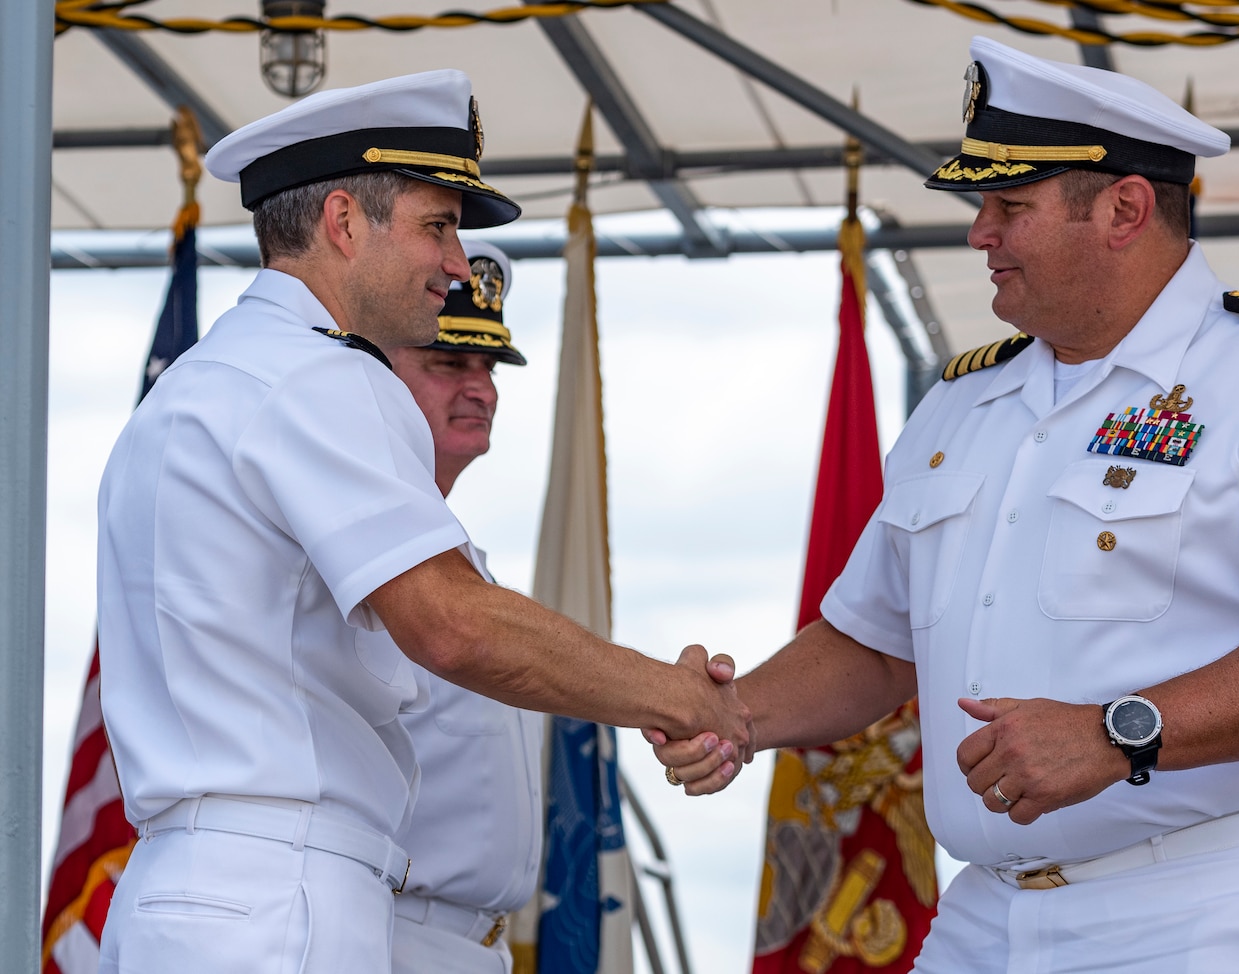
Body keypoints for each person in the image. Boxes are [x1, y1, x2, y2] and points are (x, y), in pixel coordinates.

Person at [651, 37, 1239, 973]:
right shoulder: (963, 405)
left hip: (1214, 909)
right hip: (990, 915)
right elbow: (875, 641)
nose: (979, 234)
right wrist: (736, 717)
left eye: (1009, 206)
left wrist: (1118, 734)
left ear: (1124, 210)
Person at [95, 70, 749, 974]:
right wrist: (677, 697)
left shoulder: (200, 389)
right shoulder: (318, 377)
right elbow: (450, 623)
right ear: (343, 222)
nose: (453, 261)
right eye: (436, 226)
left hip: (198, 894)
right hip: (284, 905)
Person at [381, 242, 540, 973]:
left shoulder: (457, 558)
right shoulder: (369, 558)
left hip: (470, 943)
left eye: (489, 369)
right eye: (449, 365)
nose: (480, 388)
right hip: (387, 931)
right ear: (377, 377)